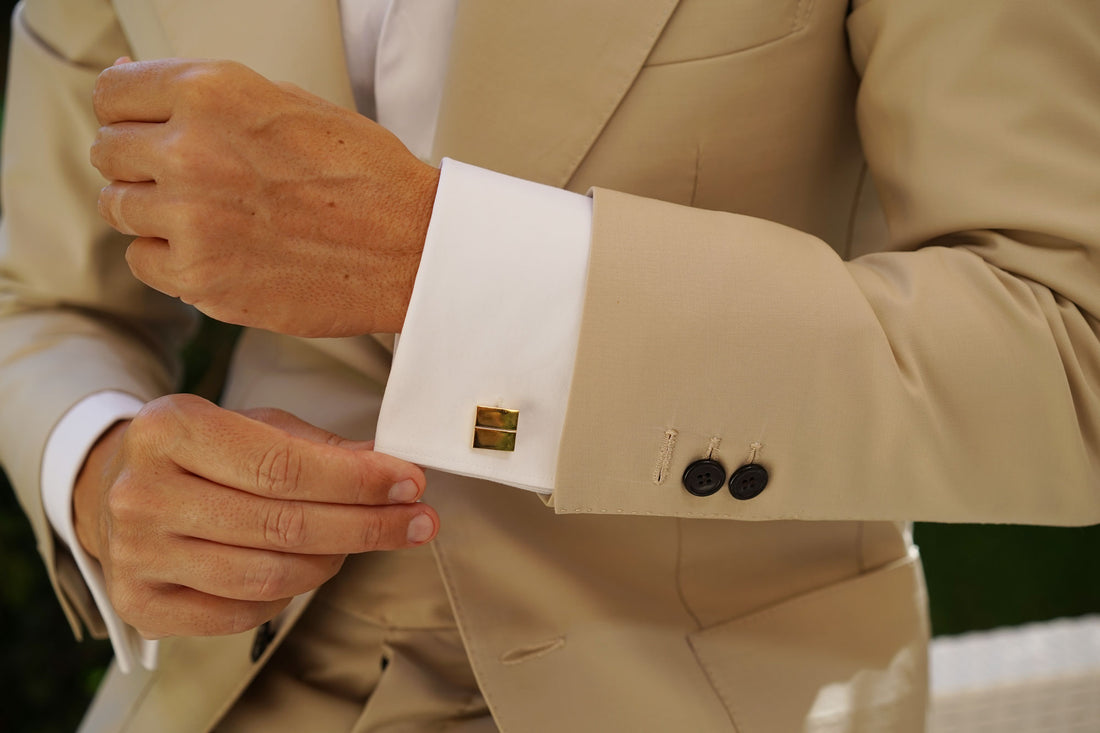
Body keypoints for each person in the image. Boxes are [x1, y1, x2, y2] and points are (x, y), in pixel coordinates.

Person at [1, 0, 1097, 730]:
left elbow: (1064, 345)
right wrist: (95, 464)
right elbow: (37, 299)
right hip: (236, 684)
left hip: (698, 689)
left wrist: (442, 261)